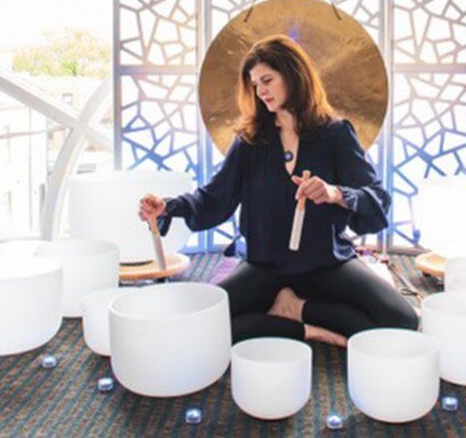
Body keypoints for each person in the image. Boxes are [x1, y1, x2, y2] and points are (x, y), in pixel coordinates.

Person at [138, 34, 417, 347]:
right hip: (265, 267)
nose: (261, 91)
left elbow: (377, 199)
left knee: (403, 321)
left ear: (293, 75)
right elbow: (215, 197)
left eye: (267, 80)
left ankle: (297, 309)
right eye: (255, 83)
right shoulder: (249, 142)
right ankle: (306, 330)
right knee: (201, 327)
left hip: (327, 263)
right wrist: (168, 207)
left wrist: (334, 192)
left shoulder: (336, 134)